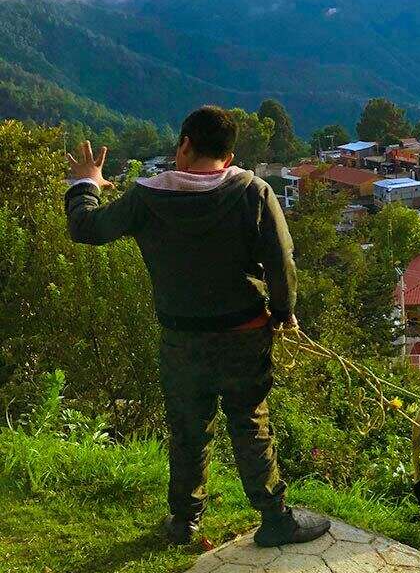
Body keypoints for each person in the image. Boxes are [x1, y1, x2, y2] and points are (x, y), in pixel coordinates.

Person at [65, 105, 329, 548]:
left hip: (181, 337)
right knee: (250, 422)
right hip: (245, 332)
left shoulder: (147, 198)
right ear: (229, 155)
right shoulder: (253, 192)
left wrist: (85, 183)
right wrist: (284, 313)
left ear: (184, 144)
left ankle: (184, 521)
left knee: (187, 427)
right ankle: (274, 518)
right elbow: (281, 262)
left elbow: (86, 228)